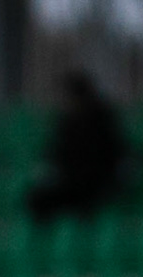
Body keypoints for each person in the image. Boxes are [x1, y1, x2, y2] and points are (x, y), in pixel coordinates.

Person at [27, 70, 128, 220]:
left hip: (97, 185)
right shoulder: (66, 122)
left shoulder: (101, 120)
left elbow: (115, 153)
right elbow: (55, 154)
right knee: (37, 199)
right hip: (73, 182)